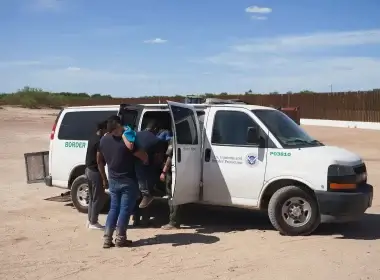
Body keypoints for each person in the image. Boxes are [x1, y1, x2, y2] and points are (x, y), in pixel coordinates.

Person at [97, 117, 145, 248]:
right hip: (128, 180)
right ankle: (120, 238)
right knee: (124, 210)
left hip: (113, 179)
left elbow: (99, 160)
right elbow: (142, 156)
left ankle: (107, 239)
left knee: (114, 208)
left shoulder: (103, 140)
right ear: (118, 126)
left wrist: (104, 178)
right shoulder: (126, 141)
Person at [85, 120, 108, 230]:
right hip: (95, 171)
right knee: (98, 198)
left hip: (88, 170)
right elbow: (99, 162)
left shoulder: (92, 138)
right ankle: (93, 222)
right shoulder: (100, 141)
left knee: (92, 197)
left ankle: (90, 219)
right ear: (103, 129)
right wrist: (104, 179)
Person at [160, 138, 180, 229]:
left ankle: (173, 222)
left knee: (171, 196)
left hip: (172, 172)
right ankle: (174, 220)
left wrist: (164, 172)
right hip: (181, 170)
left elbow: (169, 157)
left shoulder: (173, 139)